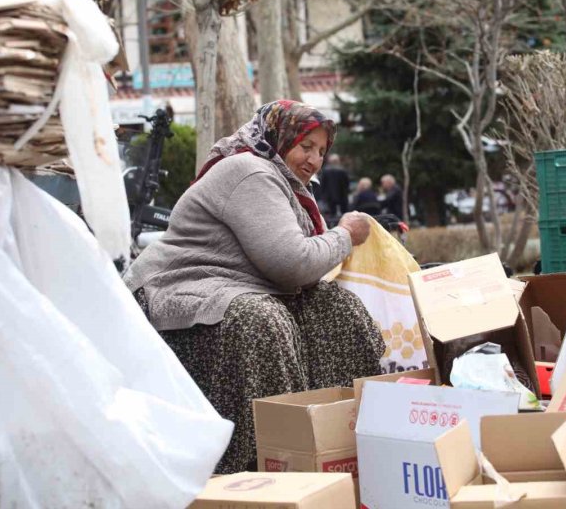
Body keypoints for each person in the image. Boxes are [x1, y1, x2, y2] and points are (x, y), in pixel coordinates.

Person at [124, 100, 384, 474]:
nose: (314, 160)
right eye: (306, 146)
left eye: (322, 152)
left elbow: (305, 272)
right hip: (179, 289)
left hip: (235, 285)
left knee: (337, 309)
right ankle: (265, 464)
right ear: (280, 138)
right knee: (260, 322)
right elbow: (292, 262)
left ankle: (341, 447)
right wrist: (345, 234)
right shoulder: (250, 172)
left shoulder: (286, 184)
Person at [317, 153, 350, 222]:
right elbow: (347, 184)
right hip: (342, 196)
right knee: (344, 216)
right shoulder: (343, 171)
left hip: (328, 198)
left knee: (330, 217)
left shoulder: (325, 171)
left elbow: (322, 184)